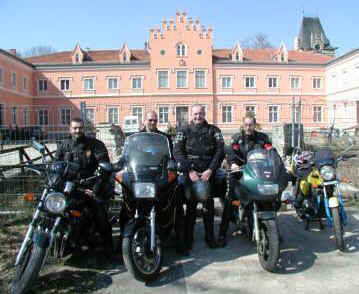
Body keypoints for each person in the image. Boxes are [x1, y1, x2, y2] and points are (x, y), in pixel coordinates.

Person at [55, 117, 114, 257]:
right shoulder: (64, 145)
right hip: (68, 187)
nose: (77, 130)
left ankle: (109, 248)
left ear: (84, 129)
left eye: (80, 128)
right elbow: (56, 165)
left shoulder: (94, 145)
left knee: (99, 213)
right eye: (75, 128)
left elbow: (105, 166)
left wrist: (95, 189)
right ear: (70, 129)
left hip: (88, 186)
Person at [173, 104, 225, 250]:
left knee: (208, 206)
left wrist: (211, 170)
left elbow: (220, 151)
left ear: (204, 113)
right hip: (191, 173)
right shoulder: (183, 130)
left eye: (200, 114)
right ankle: (188, 239)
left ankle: (210, 238)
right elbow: (177, 151)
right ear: (191, 114)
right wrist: (189, 170)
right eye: (195, 114)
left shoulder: (214, 130)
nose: (198, 116)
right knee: (191, 207)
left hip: (208, 173)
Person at [217, 113, 271, 247]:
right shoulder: (237, 138)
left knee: (269, 197)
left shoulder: (263, 138)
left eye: (251, 124)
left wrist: (275, 163)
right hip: (240, 172)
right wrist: (233, 163)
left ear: (254, 124)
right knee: (230, 199)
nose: (248, 127)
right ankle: (222, 234)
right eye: (246, 124)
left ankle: (272, 229)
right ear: (243, 125)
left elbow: (271, 152)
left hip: (258, 173)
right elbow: (230, 153)